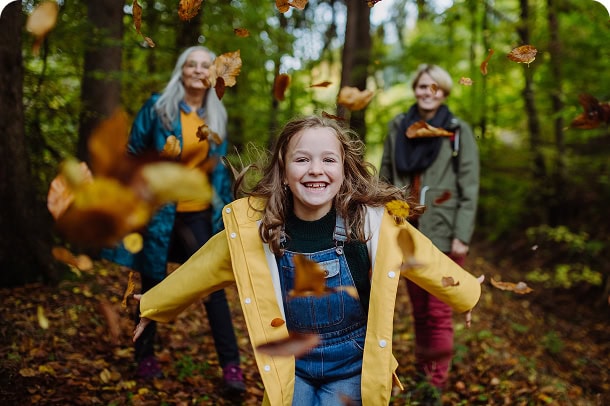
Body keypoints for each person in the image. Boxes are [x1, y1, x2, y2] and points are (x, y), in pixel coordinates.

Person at [133, 114, 482, 405]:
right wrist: (153, 304)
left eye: (328, 160)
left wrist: (465, 292)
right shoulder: (258, 229)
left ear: (344, 169)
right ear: (283, 171)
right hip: (290, 365)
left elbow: (424, 256)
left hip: (351, 366)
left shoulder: (370, 223)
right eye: (302, 159)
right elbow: (204, 268)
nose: (316, 169)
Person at [102, 46, 245, 392]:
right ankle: (145, 357)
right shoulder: (157, 108)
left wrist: (227, 213)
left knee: (212, 289)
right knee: (151, 285)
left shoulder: (215, 113)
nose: (197, 70)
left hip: (199, 216)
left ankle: (232, 369)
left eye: (204, 66)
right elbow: (133, 153)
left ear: (213, 74)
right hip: (160, 215)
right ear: (181, 71)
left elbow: (219, 172)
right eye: (190, 64)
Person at [380, 64, 480, 398]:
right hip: (406, 230)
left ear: (444, 91)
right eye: (422, 86)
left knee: (438, 312)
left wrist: (461, 236)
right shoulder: (398, 126)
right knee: (420, 311)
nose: (427, 92)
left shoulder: (457, 130)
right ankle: (425, 375)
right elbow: (384, 175)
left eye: (434, 87)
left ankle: (433, 388)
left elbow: (469, 186)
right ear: (415, 89)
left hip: (443, 230)